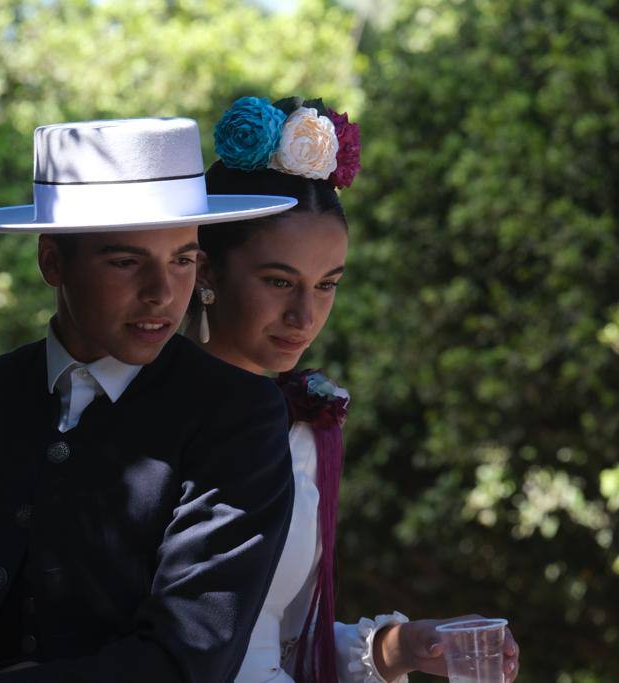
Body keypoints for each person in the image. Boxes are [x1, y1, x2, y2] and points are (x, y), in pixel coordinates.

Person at [0, 117, 300, 682]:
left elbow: (189, 655)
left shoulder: (236, 413)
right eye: (126, 262)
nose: (162, 293)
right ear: (52, 262)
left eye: (182, 260)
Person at [192, 96, 521, 683]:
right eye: (278, 281)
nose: (304, 315)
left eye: (326, 285)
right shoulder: (137, 417)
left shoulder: (301, 426)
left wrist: (405, 647)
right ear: (206, 272)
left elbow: (285, 642)